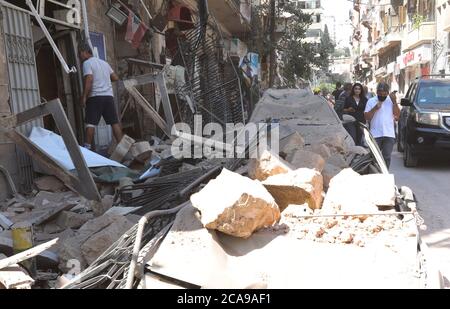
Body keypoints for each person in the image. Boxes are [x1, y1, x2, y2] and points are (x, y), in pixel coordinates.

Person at [79, 42, 123, 151]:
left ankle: (87, 150)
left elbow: (89, 79)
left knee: (90, 124)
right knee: (114, 123)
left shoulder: (87, 63)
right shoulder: (104, 63)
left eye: (80, 53)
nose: (80, 56)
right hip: (108, 97)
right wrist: (104, 79)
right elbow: (115, 77)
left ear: (85, 52)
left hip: (95, 97)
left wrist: (84, 97)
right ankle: (123, 149)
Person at [364, 82, 401, 168]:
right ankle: (374, 174)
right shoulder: (371, 101)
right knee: (374, 157)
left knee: (386, 157)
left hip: (389, 134)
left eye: (384, 94)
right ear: (377, 92)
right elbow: (367, 117)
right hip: (375, 134)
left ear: (388, 93)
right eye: (380, 94)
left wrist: (394, 102)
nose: (382, 96)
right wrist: (375, 108)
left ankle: (385, 174)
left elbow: (397, 116)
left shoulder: (391, 101)